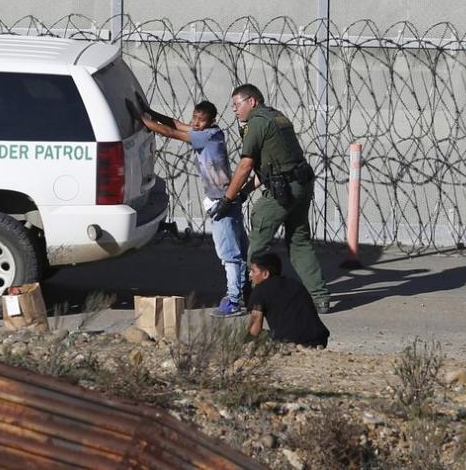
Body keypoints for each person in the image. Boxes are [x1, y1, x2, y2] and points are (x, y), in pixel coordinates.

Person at [212, 83, 332, 313]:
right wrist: (245, 191)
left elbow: (246, 165)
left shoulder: (256, 122)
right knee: (299, 241)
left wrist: (228, 198)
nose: (234, 110)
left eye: (237, 105)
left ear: (251, 102)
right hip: (300, 183)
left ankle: (253, 297)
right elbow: (268, 167)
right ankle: (320, 297)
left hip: (284, 189)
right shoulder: (277, 117)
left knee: (257, 243)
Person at [132, 98, 250, 317]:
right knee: (238, 250)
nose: (195, 123)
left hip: (221, 201)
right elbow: (176, 124)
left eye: (200, 120)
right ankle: (243, 292)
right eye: (194, 118)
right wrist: (150, 112)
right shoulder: (211, 132)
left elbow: (171, 132)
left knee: (228, 254)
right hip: (227, 199)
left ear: (211, 121)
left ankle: (234, 300)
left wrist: (140, 119)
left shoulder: (206, 137)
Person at [247, 252, 329, 347]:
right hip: (319, 338)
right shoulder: (295, 283)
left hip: (291, 342)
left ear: (265, 273)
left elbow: (256, 323)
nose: (250, 274)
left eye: (253, 271)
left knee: (261, 336)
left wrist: (246, 345)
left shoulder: (260, 289)